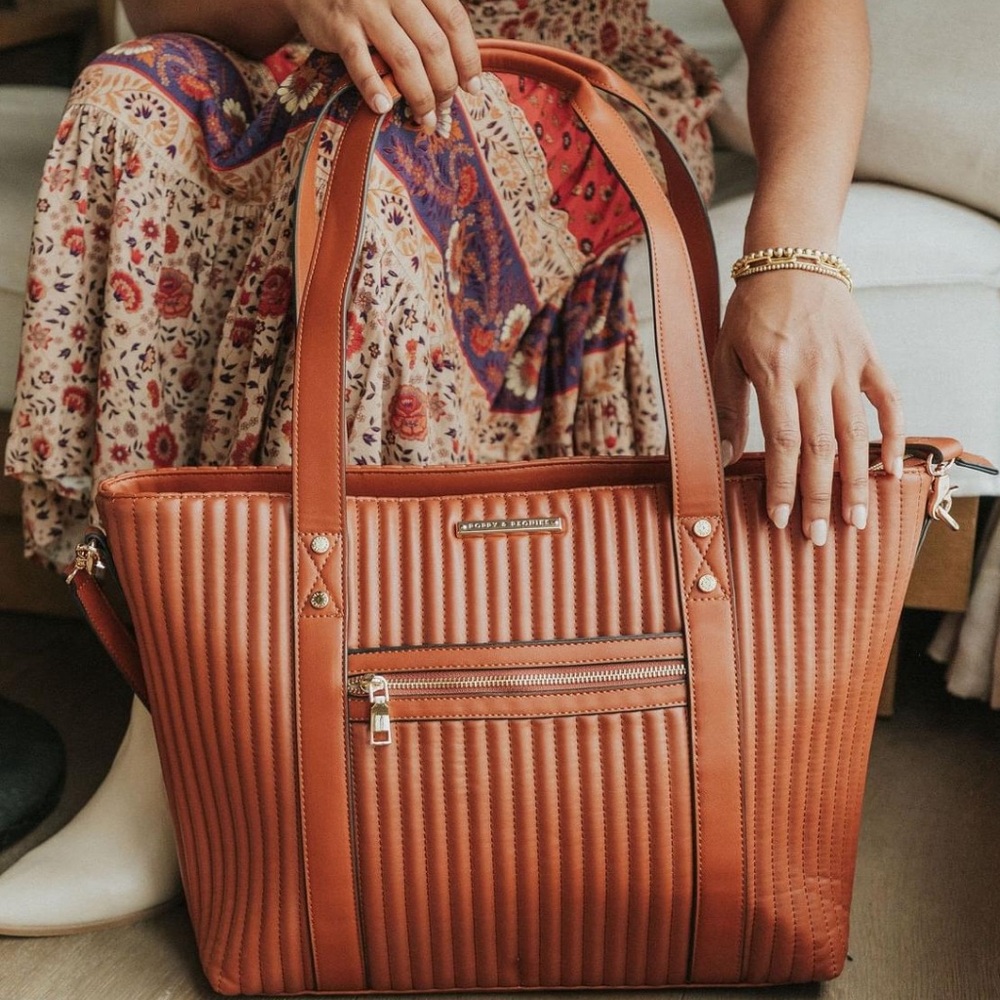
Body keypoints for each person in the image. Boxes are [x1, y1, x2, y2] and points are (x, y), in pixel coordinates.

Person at [0, 0, 904, 935]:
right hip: (304, 43)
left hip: (553, 70)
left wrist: (792, 259)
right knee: (128, 93)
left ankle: (276, 763)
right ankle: (175, 731)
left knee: (389, 147)